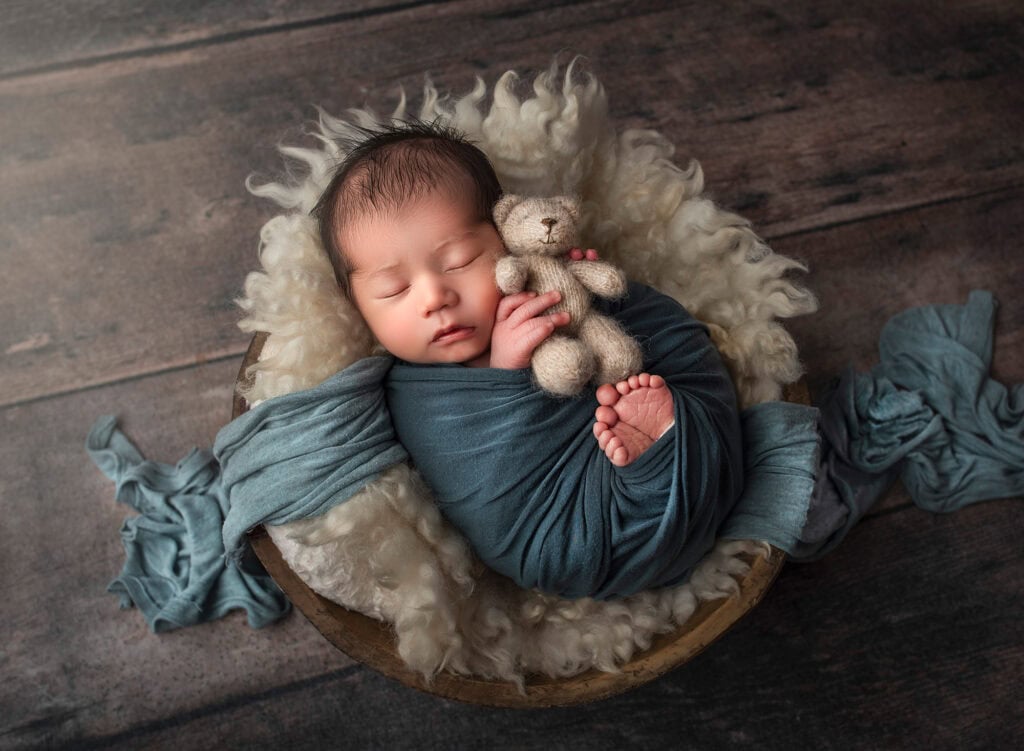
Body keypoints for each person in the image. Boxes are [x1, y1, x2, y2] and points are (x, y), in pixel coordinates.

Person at [311, 120, 745, 598]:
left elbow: (664, 332)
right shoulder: (410, 394)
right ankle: (656, 464)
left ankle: (666, 447)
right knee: (570, 539)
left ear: (505, 239)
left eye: (458, 261)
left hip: (663, 453)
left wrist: (580, 292)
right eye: (394, 289)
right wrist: (506, 375)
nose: (434, 297)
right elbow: (478, 481)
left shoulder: (538, 290)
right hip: (561, 526)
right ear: (356, 305)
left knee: (660, 368)